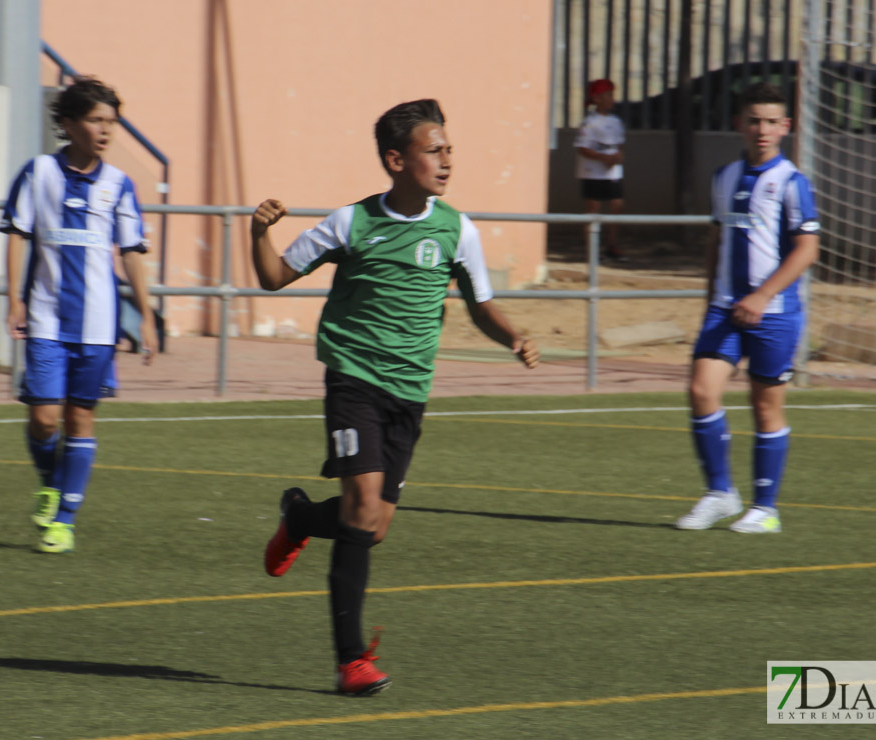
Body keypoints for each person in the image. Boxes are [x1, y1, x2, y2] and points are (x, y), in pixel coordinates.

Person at [250, 99, 540, 696]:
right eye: (433, 150)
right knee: (360, 510)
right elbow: (274, 277)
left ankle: (300, 517)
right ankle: (351, 662)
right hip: (353, 380)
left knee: (373, 524)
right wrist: (258, 232)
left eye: (448, 149)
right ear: (395, 160)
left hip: (410, 394)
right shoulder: (349, 224)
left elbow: (480, 303)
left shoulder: (458, 229)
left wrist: (512, 335)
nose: (446, 159)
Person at [0, 77, 158, 553]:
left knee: (80, 420)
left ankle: (64, 521)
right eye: (96, 120)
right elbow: (16, 234)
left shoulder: (118, 185)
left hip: (98, 326)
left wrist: (147, 315)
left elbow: (131, 252)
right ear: (68, 123)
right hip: (47, 318)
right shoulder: (39, 174)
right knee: (46, 419)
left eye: (112, 122)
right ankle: (52, 480)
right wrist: (14, 298)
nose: (106, 130)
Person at [676, 82, 819, 534]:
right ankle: (720, 493)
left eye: (771, 121)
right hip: (724, 309)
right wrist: (709, 300)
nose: (762, 129)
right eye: (754, 120)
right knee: (701, 390)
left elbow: (806, 250)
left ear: (785, 127)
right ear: (739, 124)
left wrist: (761, 296)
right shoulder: (724, 177)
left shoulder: (792, 184)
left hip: (773, 313)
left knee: (765, 408)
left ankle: (765, 509)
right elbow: (717, 240)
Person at [574, 78, 627, 262]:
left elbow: (619, 145)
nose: (612, 99)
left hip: (613, 172)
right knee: (593, 210)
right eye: (608, 95)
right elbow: (582, 147)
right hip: (592, 172)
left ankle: (612, 246)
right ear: (597, 99)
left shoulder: (616, 121)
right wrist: (603, 158)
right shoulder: (590, 122)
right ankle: (592, 250)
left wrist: (618, 157)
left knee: (616, 205)